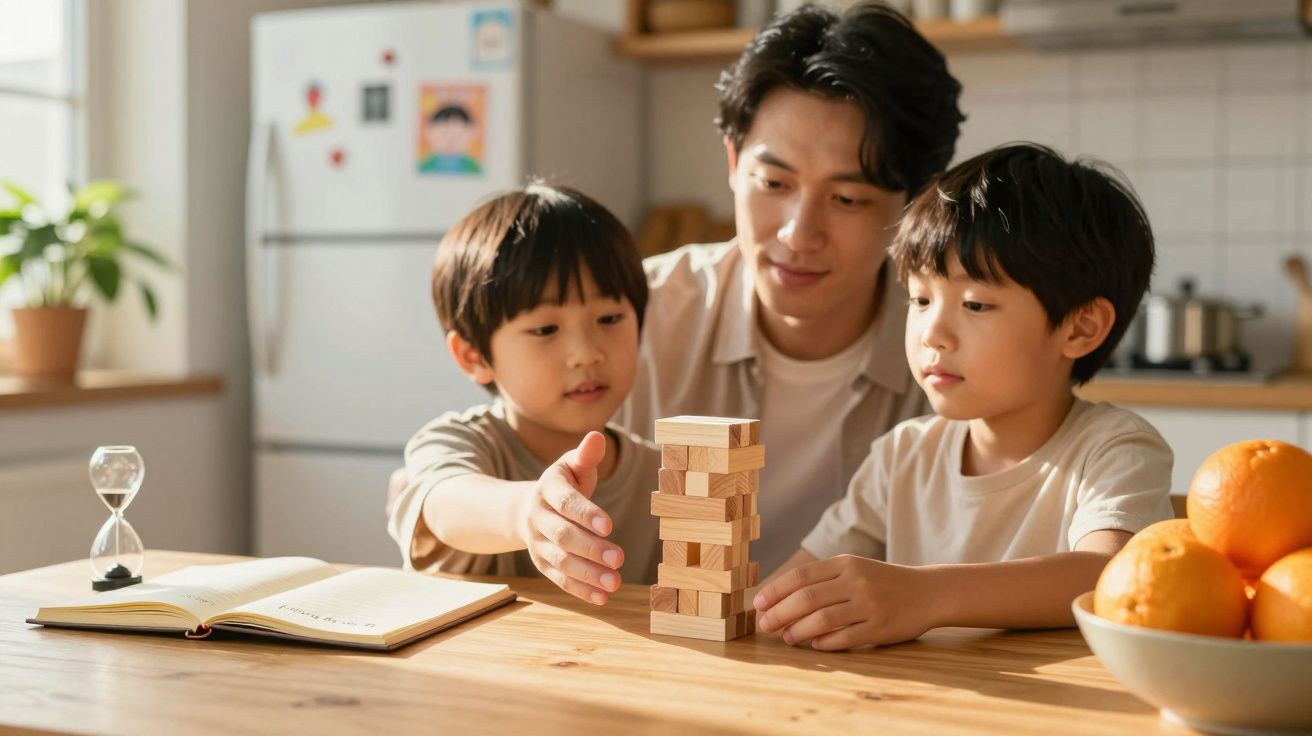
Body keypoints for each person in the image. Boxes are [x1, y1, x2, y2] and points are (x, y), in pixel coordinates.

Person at [752, 143, 1175, 650]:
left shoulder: (1115, 449)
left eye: (974, 304)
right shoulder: (902, 457)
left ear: (1081, 327)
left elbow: (1109, 577)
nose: (933, 333)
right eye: (921, 299)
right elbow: (787, 594)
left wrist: (929, 596)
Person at [616, 2, 965, 575]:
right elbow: (470, 458)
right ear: (733, 162)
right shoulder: (634, 312)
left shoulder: (957, 343)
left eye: (847, 198)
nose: (798, 235)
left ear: (916, 203)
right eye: (773, 182)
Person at [386, 183, 660, 606]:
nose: (586, 354)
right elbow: (444, 502)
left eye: (609, 318)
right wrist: (526, 511)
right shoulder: (457, 443)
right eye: (546, 329)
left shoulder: (665, 477)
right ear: (474, 355)